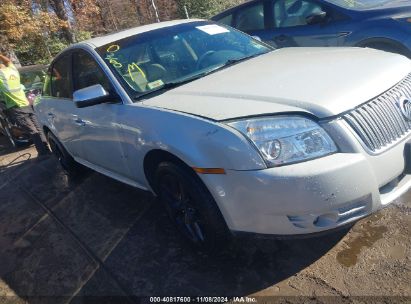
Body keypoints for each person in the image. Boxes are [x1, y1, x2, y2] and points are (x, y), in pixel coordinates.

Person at [0, 54, 50, 156]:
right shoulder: (12, 70)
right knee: (38, 127)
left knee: (32, 130)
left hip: (16, 107)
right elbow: (8, 61)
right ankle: (47, 149)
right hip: (26, 103)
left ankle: (43, 153)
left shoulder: (1, 77)